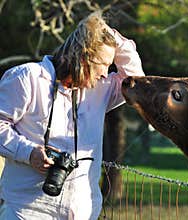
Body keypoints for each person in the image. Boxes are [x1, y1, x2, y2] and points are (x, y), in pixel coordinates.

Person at [0, 11, 144, 219]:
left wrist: (111, 36)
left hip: (83, 211)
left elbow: (136, 82)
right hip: (26, 210)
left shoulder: (100, 89)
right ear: (81, 56)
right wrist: (28, 153)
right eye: (102, 64)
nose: (105, 73)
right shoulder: (27, 78)